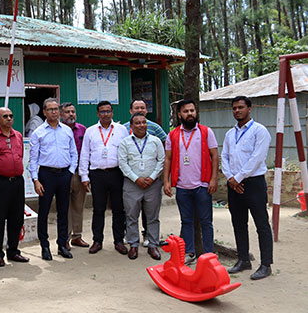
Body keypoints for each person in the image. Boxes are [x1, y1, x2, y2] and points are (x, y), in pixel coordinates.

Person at [221, 96, 273, 280]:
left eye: (241, 107)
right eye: (234, 108)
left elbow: (257, 158)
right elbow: (224, 157)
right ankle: (243, 259)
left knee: (261, 224)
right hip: (234, 184)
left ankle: (266, 264)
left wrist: (238, 178)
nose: (237, 111)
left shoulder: (260, 131)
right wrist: (230, 178)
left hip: (254, 183)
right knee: (238, 223)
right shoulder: (229, 134)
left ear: (249, 109)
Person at [163, 99, 219, 265]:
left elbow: (214, 156)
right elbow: (168, 159)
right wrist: (166, 181)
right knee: (186, 221)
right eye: (186, 111)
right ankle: (189, 252)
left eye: (192, 111)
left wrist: (214, 179)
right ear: (179, 114)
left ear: (196, 113)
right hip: (182, 186)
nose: (190, 114)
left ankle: (209, 255)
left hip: (202, 185)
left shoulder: (206, 132)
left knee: (206, 222)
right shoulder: (172, 135)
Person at [30, 98, 78, 260]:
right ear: (44, 112)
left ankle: (62, 245)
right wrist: (36, 180)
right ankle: (45, 246)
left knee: (63, 211)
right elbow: (33, 159)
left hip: (64, 174)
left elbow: (74, 153)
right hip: (46, 175)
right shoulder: (38, 133)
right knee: (43, 212)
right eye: (50, 109)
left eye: (56, 109)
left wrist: (70, 172)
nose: (54, 112)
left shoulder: (66, 130)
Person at [79, 101, 129, 255]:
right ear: (97, 114)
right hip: (97, 174)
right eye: (102, 111)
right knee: (98, 209)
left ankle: (119, 241)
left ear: (112, 113)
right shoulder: (90, 131)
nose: (105, 114)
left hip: (117, 173)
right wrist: (84, 176)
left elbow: (128, 151)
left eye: (108, 111)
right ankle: (97, 240)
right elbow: (85, 154)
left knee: (118, 209)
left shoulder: (121, 130)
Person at [0, 107, 30, 266]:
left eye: (11, 116)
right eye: (5, 116)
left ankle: (13, 251)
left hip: (17, 181)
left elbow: (20, 155)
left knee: (17, 218)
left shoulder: (18, 136)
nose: (9, 118)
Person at [117, 113, 165, 260]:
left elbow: (161, 160)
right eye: (137, 123)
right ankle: (133, 245)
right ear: (131, 126)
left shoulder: (155, 141)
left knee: (152, 216)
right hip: (132, 184)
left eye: (143, 122)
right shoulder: (125, 143)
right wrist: (136, 179)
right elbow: (122, 163)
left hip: (153, 184)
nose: (141, 125)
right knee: (131, 216)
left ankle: (153, 245)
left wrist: (152, 177)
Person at [59, 102, 89, 249]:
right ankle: (64, 238)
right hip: (63, 173)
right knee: (64, 207)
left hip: (79, 173)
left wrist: (86, 175)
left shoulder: (83, 130)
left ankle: (77, 236)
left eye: (73, 111)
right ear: (60, 115)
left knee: (78, 206)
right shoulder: (58, 130)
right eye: (67, 112)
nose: (71, 114)